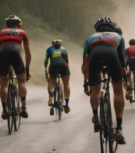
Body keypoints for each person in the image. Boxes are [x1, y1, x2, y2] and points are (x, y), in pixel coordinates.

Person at [81, 17, 126, 145]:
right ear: (112, 26)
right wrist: (123, 74)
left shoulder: (90, 38)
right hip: (112, 56)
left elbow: (85, 63)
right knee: (118, 92)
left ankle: (95, 116)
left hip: (94, 59)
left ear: (97, 27)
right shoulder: (118, 36)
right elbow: (121, 58)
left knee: (95, 91)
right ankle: (118, 129)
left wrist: (86, 81)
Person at [0, 15, 31, 120]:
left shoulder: (0, 33)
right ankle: (23, 106)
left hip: (2, 55)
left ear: (7, 25)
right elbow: (28, 53)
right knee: (21, 81)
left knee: (3, 85)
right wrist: (27, 68)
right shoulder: (23, 33)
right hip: (16, 55)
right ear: (19, 25)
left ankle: (4, 110)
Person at [44, 39, 71, 113]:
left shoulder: (49, 49)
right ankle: (66, 104)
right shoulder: (64, 50)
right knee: (66, 84)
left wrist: (46, 69)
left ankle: (50, 99)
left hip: (53, 67)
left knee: (52, 80)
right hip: (63, 66)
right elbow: (67, 62)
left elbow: (46, 61)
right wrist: (68, 71)